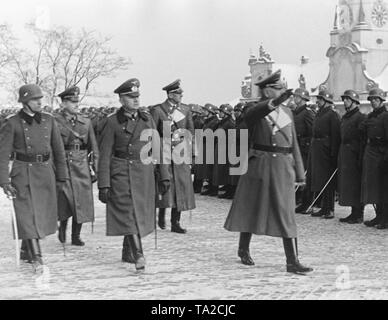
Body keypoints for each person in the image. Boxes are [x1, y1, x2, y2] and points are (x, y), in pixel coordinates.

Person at [224, 70, 313, 275]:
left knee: (286, 211)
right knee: (252, 208)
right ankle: (243, 248)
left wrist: (300, 172)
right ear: (266, 90)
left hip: (282, 166)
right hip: (261, 165)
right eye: (277, 88)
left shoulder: (288, 113)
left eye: (282, 88)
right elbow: (252, 116)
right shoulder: (254, 109)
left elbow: (294, 144)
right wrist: (273, 103)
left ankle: (292, 261)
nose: (282, 91)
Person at [98, 78, 170, 271]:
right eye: (131, 97)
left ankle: (127, 250)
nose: (136, 100)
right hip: (121, 171)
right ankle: (139, 254)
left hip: (143, 173)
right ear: (122, 100)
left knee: (137, 212)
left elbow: (157, 148)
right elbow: (105, 155)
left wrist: (164, 175)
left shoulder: (148, 119)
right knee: (128, 212)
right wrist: (103, 184)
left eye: (137, 96)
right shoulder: (112, 122)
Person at [0, 84, 68, 272]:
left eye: (40, 99)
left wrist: (62, 176)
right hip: (23, 173)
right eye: (34, 99)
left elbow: (59, 151)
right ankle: (37, 257)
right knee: (27, 214)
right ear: (25, 102)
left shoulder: (49, 120)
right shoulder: (12, 122)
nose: (39, 102)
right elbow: (3, 154)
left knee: (40, 214)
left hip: (45, 172)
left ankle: (26, 250)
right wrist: (4, 181)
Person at [55, 86, 99, 246]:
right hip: (64, 164)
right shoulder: (55, 121)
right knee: (65, 200)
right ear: (64, 103)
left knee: (81, 201)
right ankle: (62, 228)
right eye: (72, 102)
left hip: (81, 165)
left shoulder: (85, 122)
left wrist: (96, 168)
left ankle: (76, 235)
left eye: (76, 101)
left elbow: (94, 147)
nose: (76, 104)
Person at [150, 79, 195, 234]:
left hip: (180, 153)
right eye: (177, 93)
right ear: (170, 94)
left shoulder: (185, 109)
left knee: (181, 188)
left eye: (181, 92)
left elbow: (190, 131)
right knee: (165, 185)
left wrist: (189, 154)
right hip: (164, 151)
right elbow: (153, 134)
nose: (180, 95)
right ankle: (161, 214)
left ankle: (175, 222)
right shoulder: (158, 110)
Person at [309, 89, 341, 219]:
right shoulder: (319, 113)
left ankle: (330, 209)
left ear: (327, 101)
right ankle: (323, 207)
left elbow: (335, 135)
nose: (318, 101)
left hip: (327, 150)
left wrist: (333, 153)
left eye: (320, 99)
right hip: (318, 149)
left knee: (329, 180)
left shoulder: (332, 114)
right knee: (321, 179)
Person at [360, 88, 388, 229]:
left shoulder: (385, 116)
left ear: (381, 101)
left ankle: (385, 219)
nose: (373, 102)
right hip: (371, 153)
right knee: (374, 187)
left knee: (384, 188)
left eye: (376, 100)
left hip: (382, 153)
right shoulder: (370, 116)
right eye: (371, 100)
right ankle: (378, 216)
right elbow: (362, 131)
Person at [337, 90, 366, 224]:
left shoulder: (360, 117)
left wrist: (359, 156)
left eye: (347, 100)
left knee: (356, 184)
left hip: (354, 154)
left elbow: (362, 139)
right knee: (348, 184)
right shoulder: (345, 117)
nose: (345, 102)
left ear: (354, 102)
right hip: (345, 153)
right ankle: (353, 212)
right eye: (344, 99)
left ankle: (359, 213)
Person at [293, 88, 315, 214]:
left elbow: (312, 132)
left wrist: (305, 144)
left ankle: (307, 203)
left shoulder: (308, 113)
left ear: (303, 98)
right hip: (296, 149)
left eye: (297, 96)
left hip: (304, 149)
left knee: (305, 176)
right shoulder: (295, 112)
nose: (294, 98)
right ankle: (300, 201)